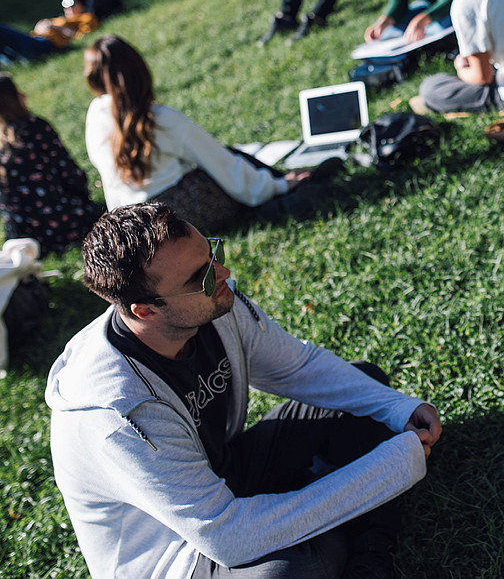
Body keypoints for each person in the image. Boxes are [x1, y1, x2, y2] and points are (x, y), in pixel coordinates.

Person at [46, 202, 442, 578]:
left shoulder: (212, 305)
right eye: (199, 277)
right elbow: (226, 537)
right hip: (183, 554)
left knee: (365, 391)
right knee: (302, 566)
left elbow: (297, 367)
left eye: (212, 254)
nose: (223, 272)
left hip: (228, 473)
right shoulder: (116, 415)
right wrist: (388, 469)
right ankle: (348, 536)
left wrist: (397, 407)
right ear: (145, 311)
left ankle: (366, 550)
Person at [84, 35, 322, 232]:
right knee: (230, 159)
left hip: (136, 224)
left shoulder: (95, 115)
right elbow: (222, 164)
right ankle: (288, 189)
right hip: (178, 215)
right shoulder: (162, 119)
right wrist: (276, 186)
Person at [0, 72, 102, 254]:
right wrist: (85, 199)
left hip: (25, 237)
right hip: (64, 223)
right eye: (18, 92)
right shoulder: (34, 127)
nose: (24, 95)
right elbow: (71, 174)